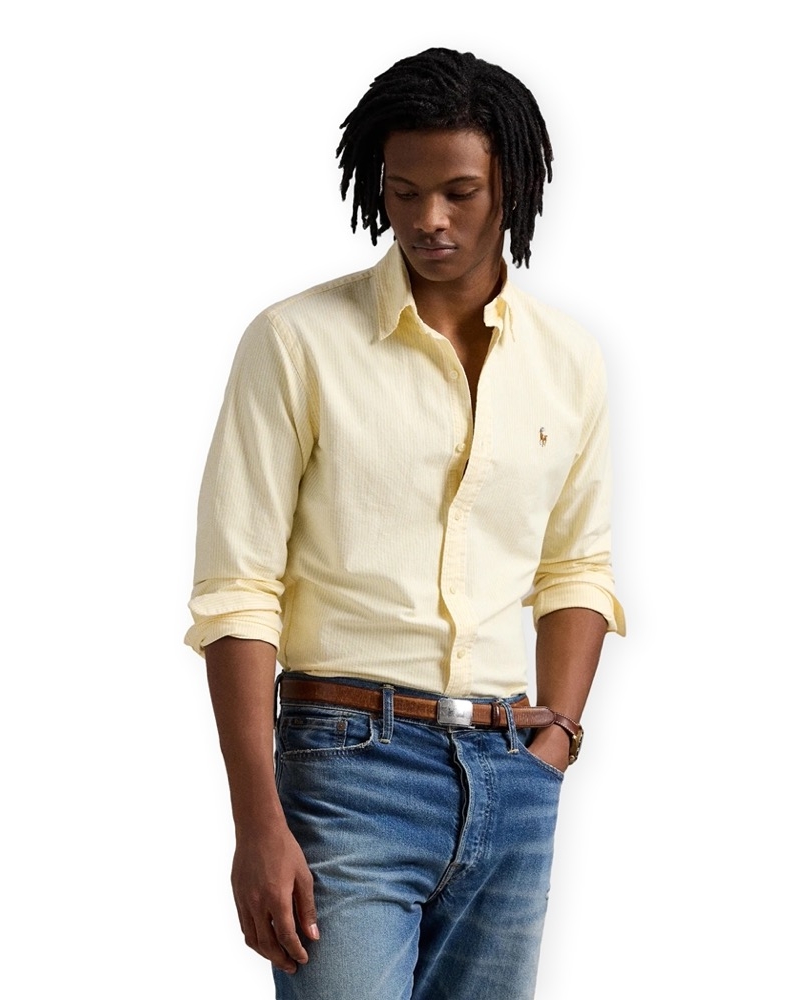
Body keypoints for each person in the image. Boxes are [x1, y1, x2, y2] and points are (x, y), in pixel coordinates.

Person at [185, 46, 625, 1000]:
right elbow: (238, 590)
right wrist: (257, 820)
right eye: (404, 191)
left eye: (460, 193)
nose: (429, 219)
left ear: (512, 186)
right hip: (347, 770)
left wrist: (556, 743)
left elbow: (575, 567)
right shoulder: (297, 343)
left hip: (512, 770)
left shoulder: (569, 361)